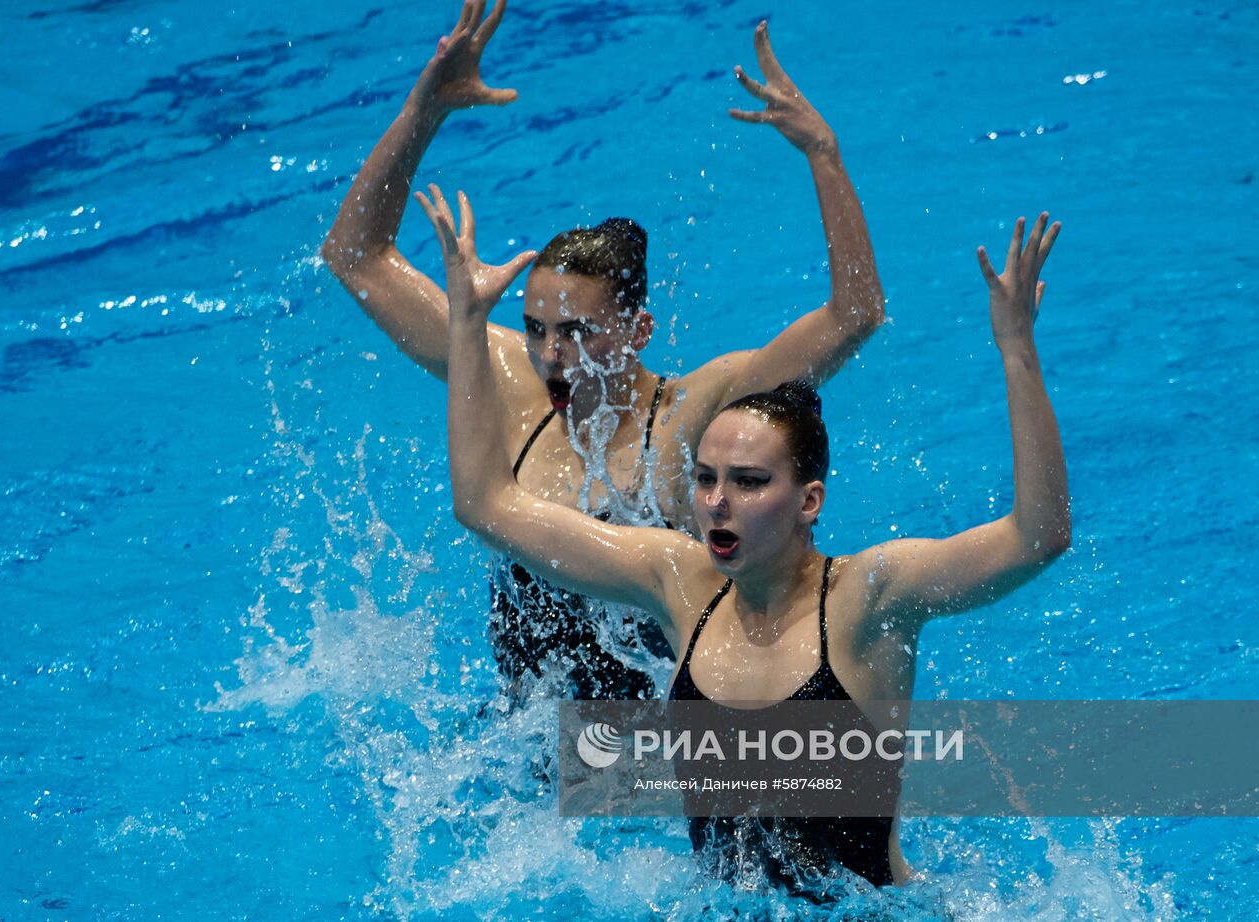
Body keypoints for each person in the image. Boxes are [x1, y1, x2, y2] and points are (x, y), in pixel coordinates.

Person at [418, 182, 1069, 894]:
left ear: (808, 501)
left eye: (751, 483)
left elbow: (1037, 537)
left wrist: (1017, 353)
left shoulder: (869, 598)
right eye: (704, 480)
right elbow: (486, 505)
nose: (719, 503)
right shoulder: (677, 583)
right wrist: (467, 324)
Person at [321, 2, 885, 702]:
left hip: (641, 753)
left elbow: (855, 317)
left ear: (639, 331)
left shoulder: (694, 418)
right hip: (523, 739)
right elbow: (355, 257)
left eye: (579, 332)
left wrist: (824, 156)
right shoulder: (503, 379)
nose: (551, 354)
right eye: (534, 329)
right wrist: (422, 110)